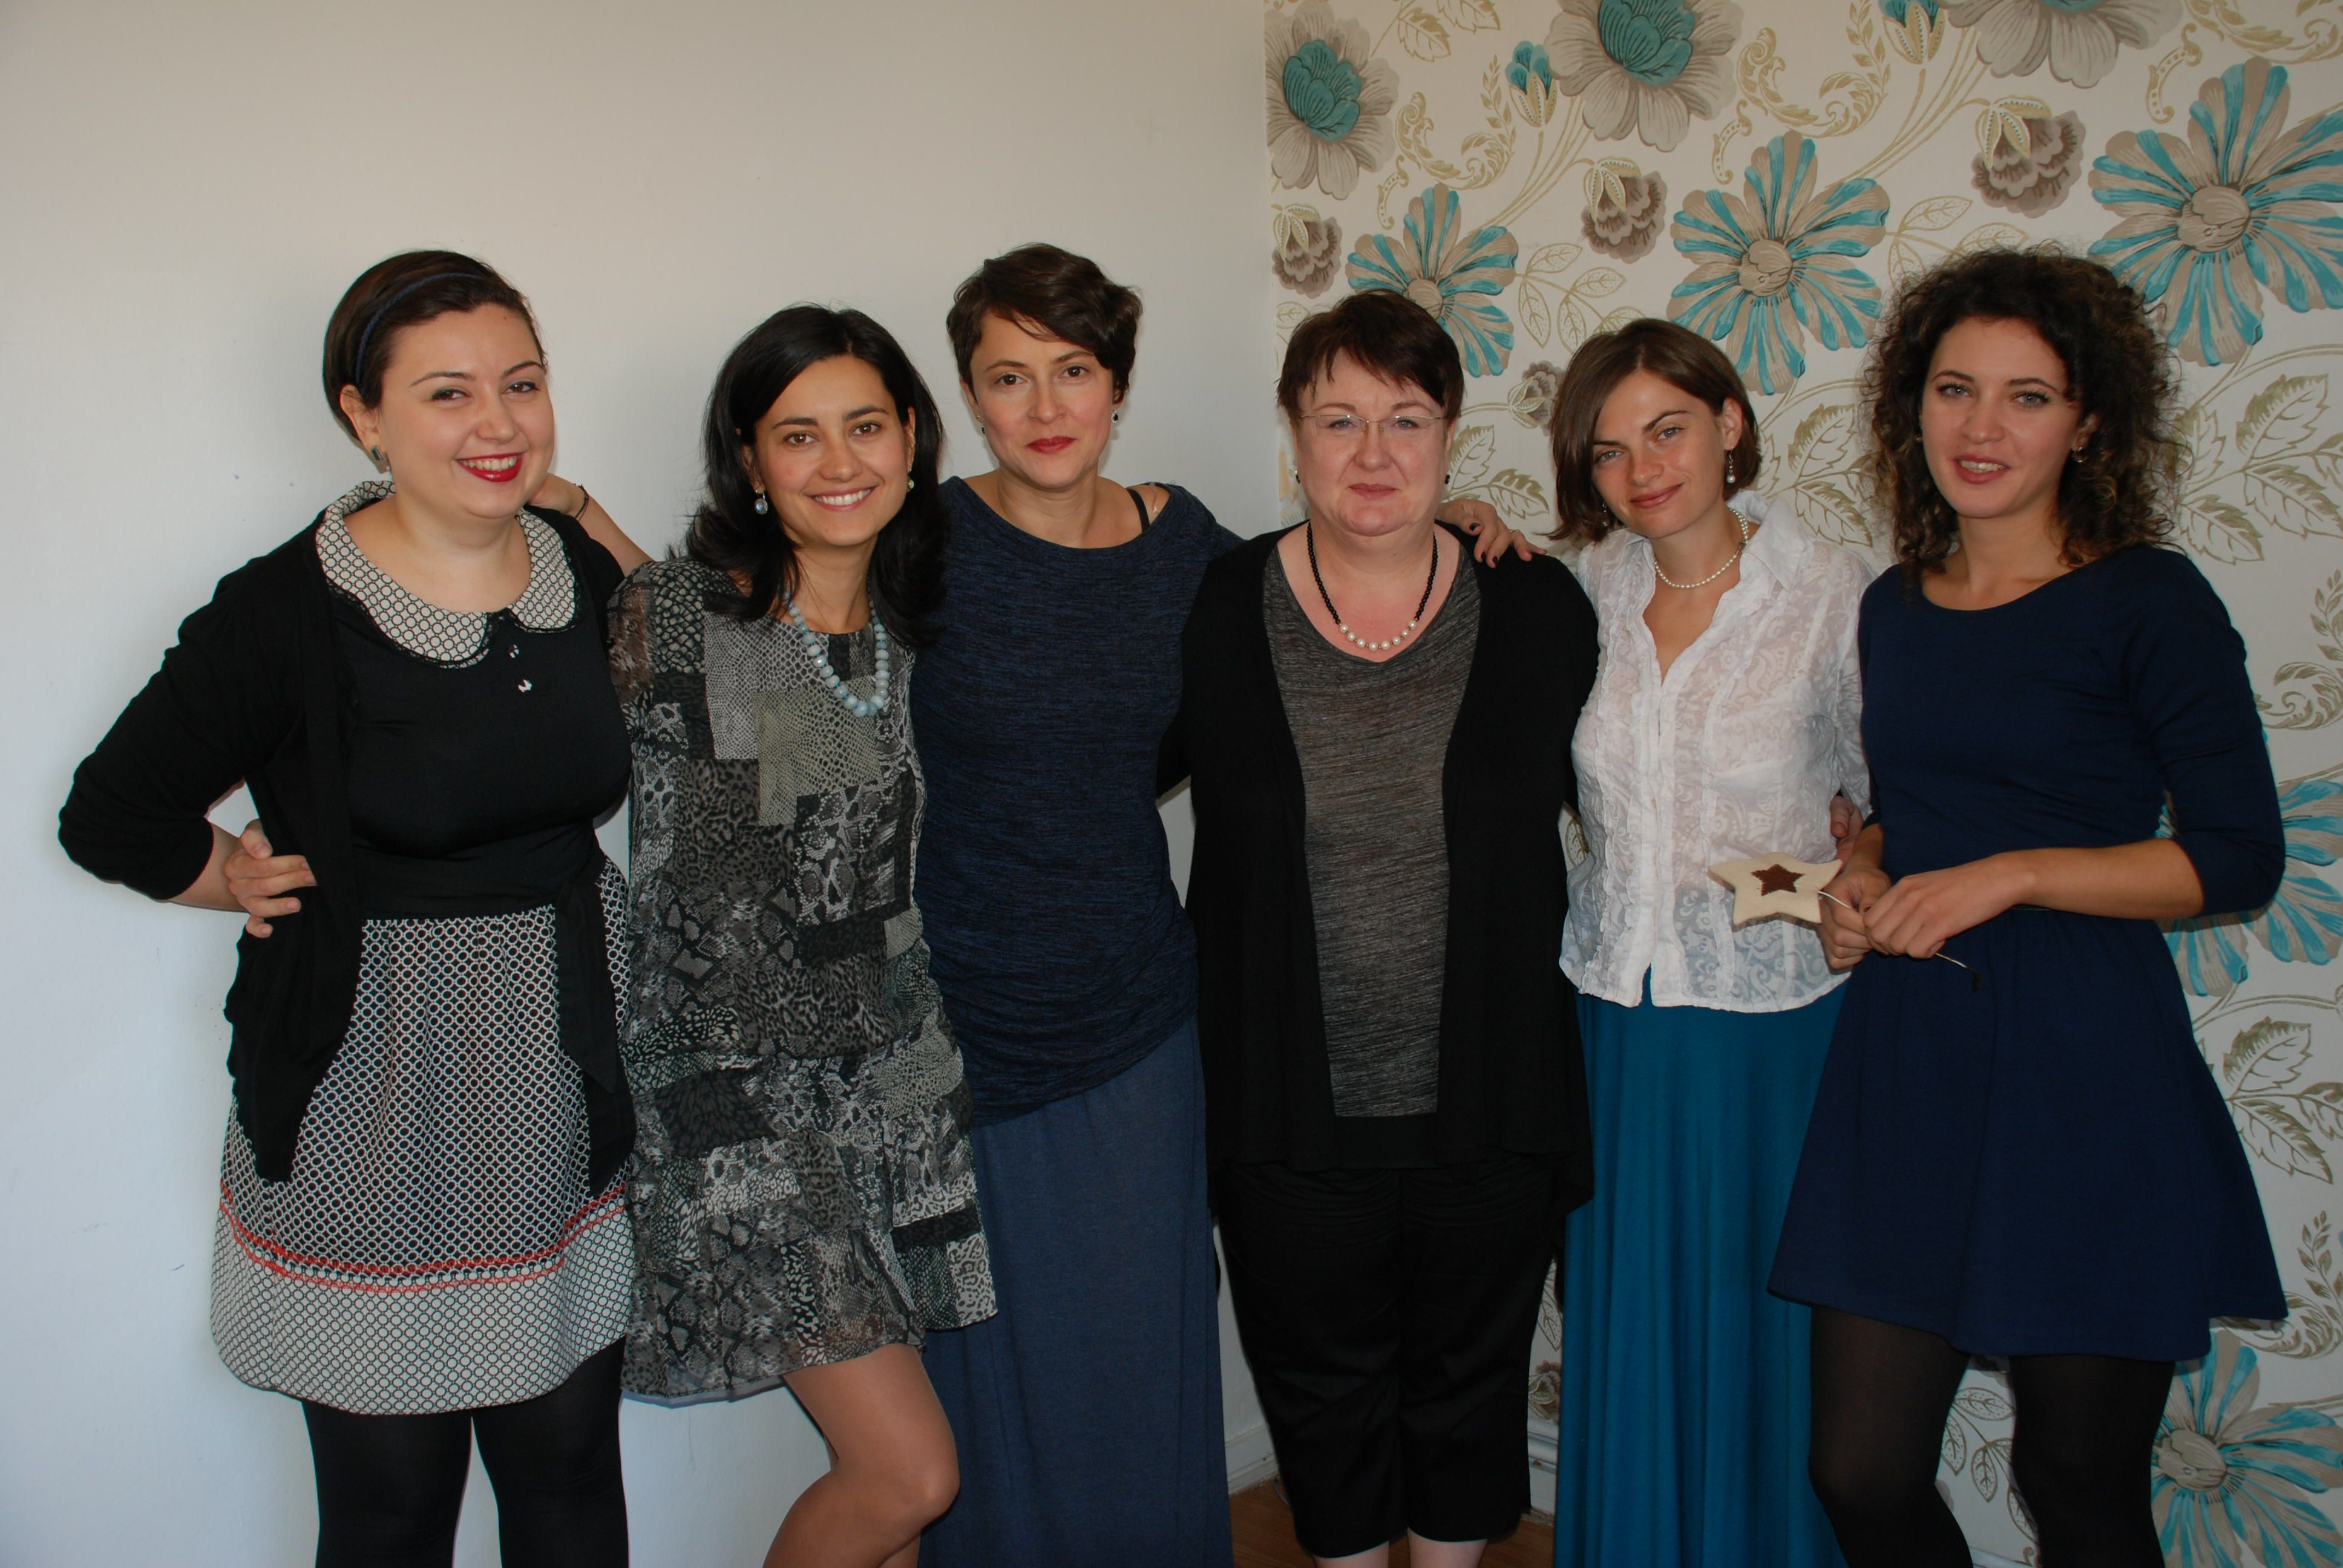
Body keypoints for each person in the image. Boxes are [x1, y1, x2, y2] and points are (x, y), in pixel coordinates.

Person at [909, 245, 1530, 1567]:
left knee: (1144, 1340)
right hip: (965, 1017)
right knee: (995, 1361)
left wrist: (1459, 518)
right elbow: (773, 618)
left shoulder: (1185, 548)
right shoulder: (922, 545)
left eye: (1074, 370)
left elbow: (1335, 592)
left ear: (1118, 387)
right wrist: (588, 522)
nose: (1045, 405)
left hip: (1143, 1010)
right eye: (1009, 377)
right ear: (969, 397)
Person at [57, 250, 650, 1566]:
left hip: (560, 1079)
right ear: (362, 415)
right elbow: (111, 814)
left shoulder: (576, 568)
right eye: (448, 393)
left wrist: (585, 506)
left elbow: (711, 685)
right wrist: (227, 873)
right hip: (374, 1094)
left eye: (523, 385)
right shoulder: (285, 612)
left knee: (569, 1473)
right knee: (392, 1507)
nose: (497, 423)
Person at [1770, 247, 2287, 1567]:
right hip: (1911, 1061)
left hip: (2084, 1067)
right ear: (1914, 405)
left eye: (2027, 396)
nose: (1981, 428)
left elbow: (2238, 860)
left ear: (2088, 422)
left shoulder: (2148, 600)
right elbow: (1912, 805)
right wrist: (1866, 870)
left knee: (2077, 1481)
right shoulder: (1895, 606)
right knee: (1859, 1473)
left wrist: (2015, 874)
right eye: (1955, 389)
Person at [1174, 289, 1599, 1568]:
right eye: (1339, 419)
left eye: (1406, 419)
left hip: (1492, 1092)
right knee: (1321, 1389)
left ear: (1450, 435)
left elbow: (1652, 789)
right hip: (1283, 1104)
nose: (1373, 453)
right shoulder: (1214, 605)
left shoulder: (1540, 609)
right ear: (1295, 435)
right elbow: (1093, 763)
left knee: (1469, 1380)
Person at [612, 305, 994, 1568]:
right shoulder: (674, 614)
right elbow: (519, 726)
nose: (839, 461)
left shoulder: (904, 630)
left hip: (891, 1084)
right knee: (910, 1474)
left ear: (912, 438)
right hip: (732, 1101)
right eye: (797, 435)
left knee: (897, 1513)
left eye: (865, 426)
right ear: (751, 460)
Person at [1542, 318, 1866, 1568]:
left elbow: (1899, 796)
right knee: (1630, 1318)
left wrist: (1860, 868)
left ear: (1729, 424)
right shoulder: (1591, 590)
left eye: (1667, 431)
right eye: (1610, 449)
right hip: (1613, 1028)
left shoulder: (1831, 594)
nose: (1642, 470)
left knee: (1761, 1327)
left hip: (1770, 1035)